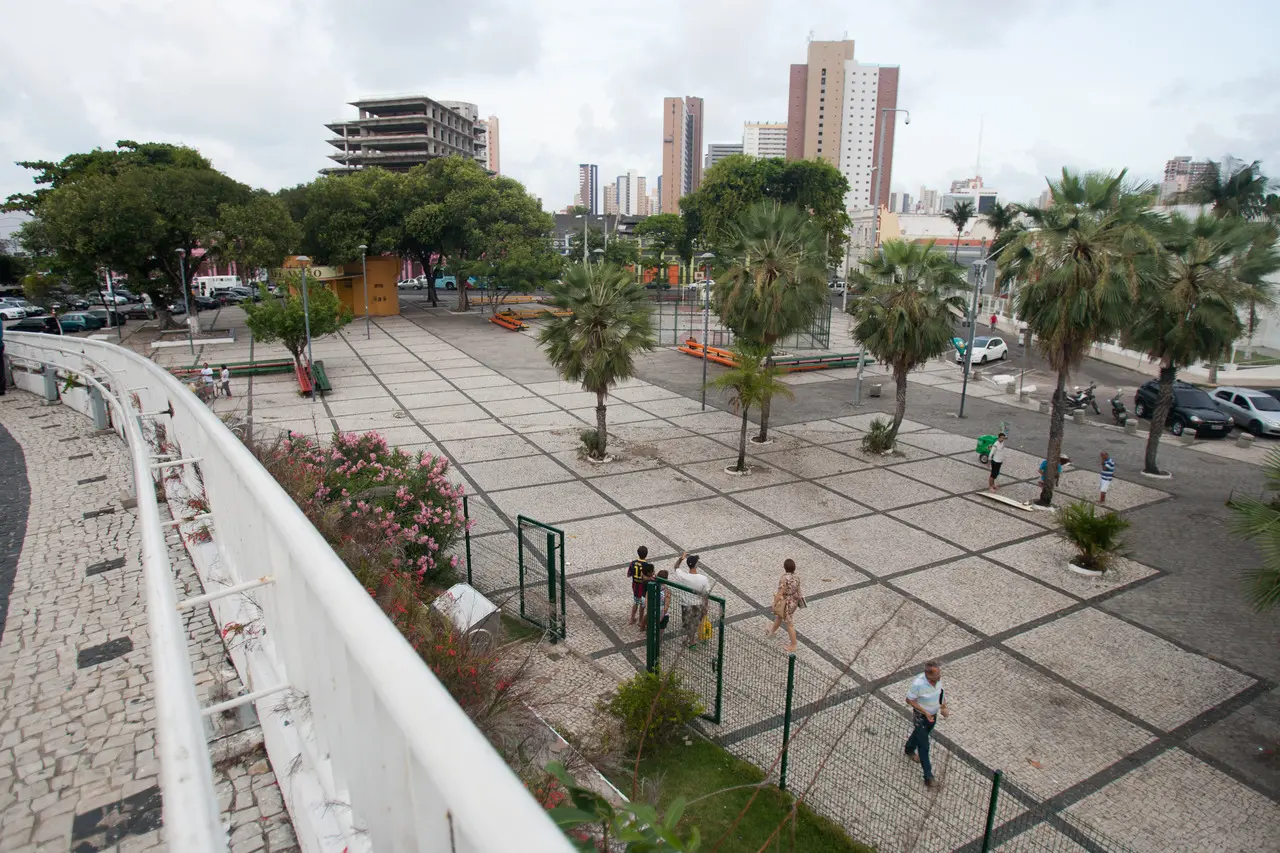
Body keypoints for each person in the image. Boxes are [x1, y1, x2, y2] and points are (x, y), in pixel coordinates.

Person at [905, 660, 950, 788]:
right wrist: (924, 711)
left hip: (932, 717)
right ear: (928, 675)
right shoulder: (918, 684)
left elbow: (940, 693)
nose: (940, 676)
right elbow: (909, 700)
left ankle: (909, 748)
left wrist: (944, 706)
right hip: (920, 717)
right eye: (937, 674)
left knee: (920, 735)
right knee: (924, 746)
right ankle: (928, 777)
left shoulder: (938, 681)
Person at [765, 558, 803, 652]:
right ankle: (772, 631)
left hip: (787, 603)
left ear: (785, 567)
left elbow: (780, 593)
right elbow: (799, 591)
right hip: (794, 602)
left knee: (789, 624)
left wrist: (774, 603)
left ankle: (793, 645)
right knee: (779, 616)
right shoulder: (797, 577)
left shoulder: (784, 578)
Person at [672, 552, 710, 646]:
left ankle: (690, 639)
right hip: (698, 604)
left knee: (688, 623)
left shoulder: (683, 576)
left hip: (686, 604)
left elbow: (676, 567)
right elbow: (706, 595)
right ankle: (693, 639)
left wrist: (681, 558)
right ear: (696, 565)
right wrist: (705, 607)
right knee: (696, 622)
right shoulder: (703, 579)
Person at [626, 546, 655, 626]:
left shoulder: (633, 563)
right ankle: (640, 621)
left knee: (636, 602)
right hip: (643, 587)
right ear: (646, 554)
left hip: (635, 586)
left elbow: (628, 574)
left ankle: (632, 619)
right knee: (642, 605)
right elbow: (650, 576)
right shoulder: (646, 565)